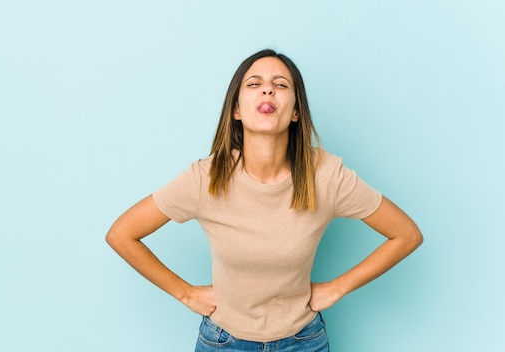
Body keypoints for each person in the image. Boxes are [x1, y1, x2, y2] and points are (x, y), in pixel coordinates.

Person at [105, 49, 423, 351]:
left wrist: (337, 287)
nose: (267, 91)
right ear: (237, 110)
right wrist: (185, 294)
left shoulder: (326, 175)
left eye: (280, 85)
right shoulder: (207, 177)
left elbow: (407, 235)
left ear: (296, 111)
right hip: (223, 342)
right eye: (254, 84)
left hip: (304, 341)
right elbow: (121, 234)